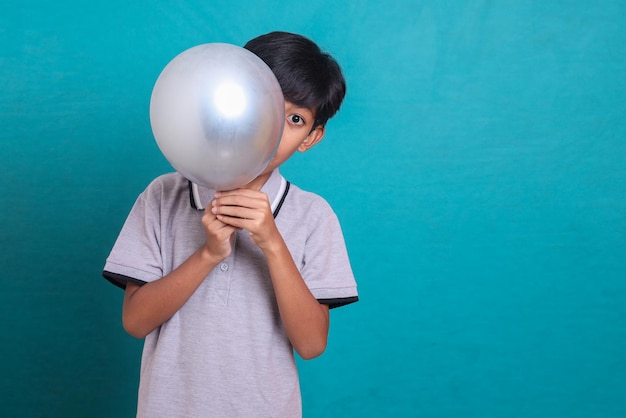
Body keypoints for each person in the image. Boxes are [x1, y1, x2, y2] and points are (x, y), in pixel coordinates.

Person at [103, 31, 358, 418]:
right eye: (264, 103)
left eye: (294, 119)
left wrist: (272, 242)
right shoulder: (163, 196)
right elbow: (136, 322)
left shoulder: (313, 215)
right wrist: (207, 254)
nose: (273, 127)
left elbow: (310, 344)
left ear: (311, 137)